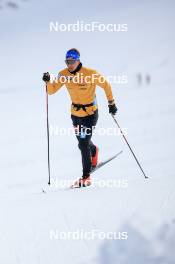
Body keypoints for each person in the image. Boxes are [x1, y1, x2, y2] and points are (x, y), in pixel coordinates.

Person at [42, 48, 117, 188]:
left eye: (71, 61)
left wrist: (111, 103)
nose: (69, 65)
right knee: (84, 142)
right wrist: (47, 82)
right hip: (76, 115)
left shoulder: (90, 73)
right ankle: (94, 151)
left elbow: (106, 85)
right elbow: (51, 91)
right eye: (67, 62)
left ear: (78, 60)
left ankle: (86, 177)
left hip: (90, 114)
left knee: (82, 144)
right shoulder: (63, 75)